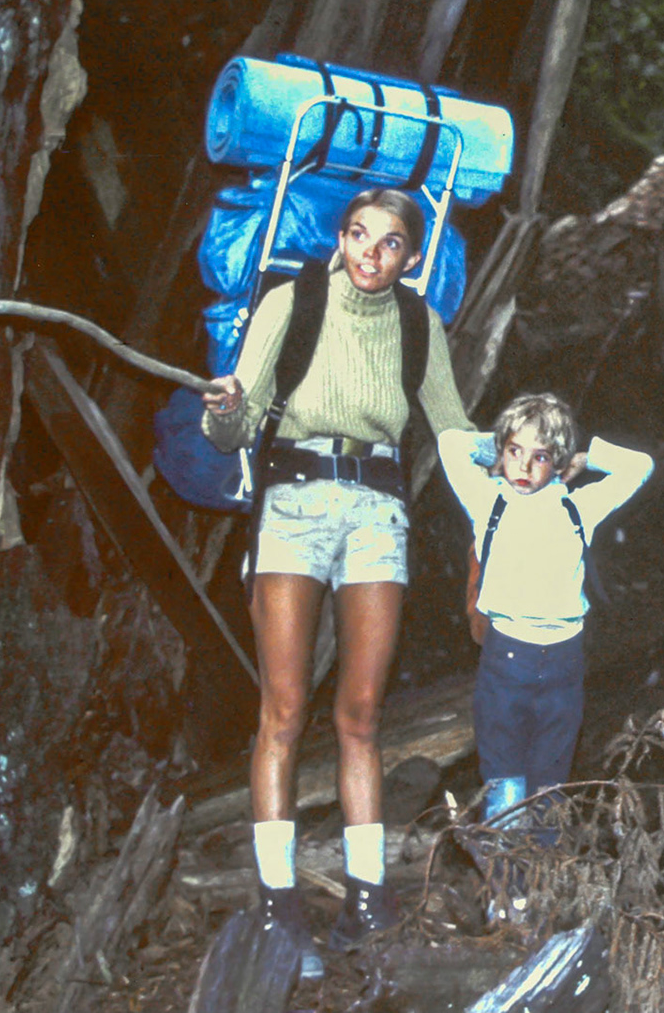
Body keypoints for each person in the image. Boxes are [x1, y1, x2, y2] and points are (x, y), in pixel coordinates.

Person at [202, 187, 472, 976]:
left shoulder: (419, 325)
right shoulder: (292, 304)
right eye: (358, 234)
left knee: (361, 714)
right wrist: (224, 409)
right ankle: (278, 907)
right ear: (341, 237)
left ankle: (368, 901)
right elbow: (231, 431)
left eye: (389, 244)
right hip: (292, 505)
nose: (369, 254)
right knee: (284, 709)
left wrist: (525, 481)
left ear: (411, 257)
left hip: (377, 513)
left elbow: (456, 435)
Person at [438, 394, 653, 829]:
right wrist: (500, 444)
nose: (523, 466)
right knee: (505, 776)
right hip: (506, 657)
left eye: (539, 457)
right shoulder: (488, 500)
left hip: (563, 662)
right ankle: (504, 868)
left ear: (557, 462)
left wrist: (583, 458)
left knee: (550, 781)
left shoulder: (578, 507)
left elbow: (640, 466)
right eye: (515, 452)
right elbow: (450, 443)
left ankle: (545, 869)